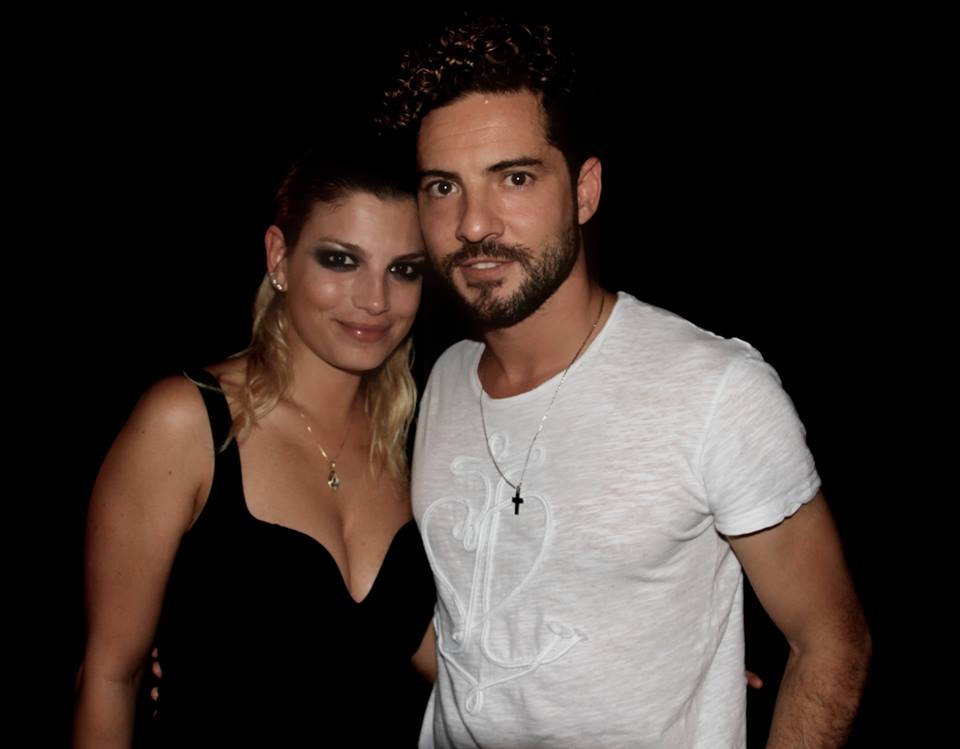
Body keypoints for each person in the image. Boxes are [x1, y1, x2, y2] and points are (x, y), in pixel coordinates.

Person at [379, 16, 872, 748]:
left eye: (515, 178)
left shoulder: (714, 390)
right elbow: (469, 638)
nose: (473, 223)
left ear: (584, 191)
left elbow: (831, 641)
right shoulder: (443, 380)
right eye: (443, 186)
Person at [72, 140, 437, 747]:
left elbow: (456, 666)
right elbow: (111, 678)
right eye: (341, 260)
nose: (376, 299)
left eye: (404, 269)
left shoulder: (414, 441)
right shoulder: (187, 423)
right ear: (279, 257)